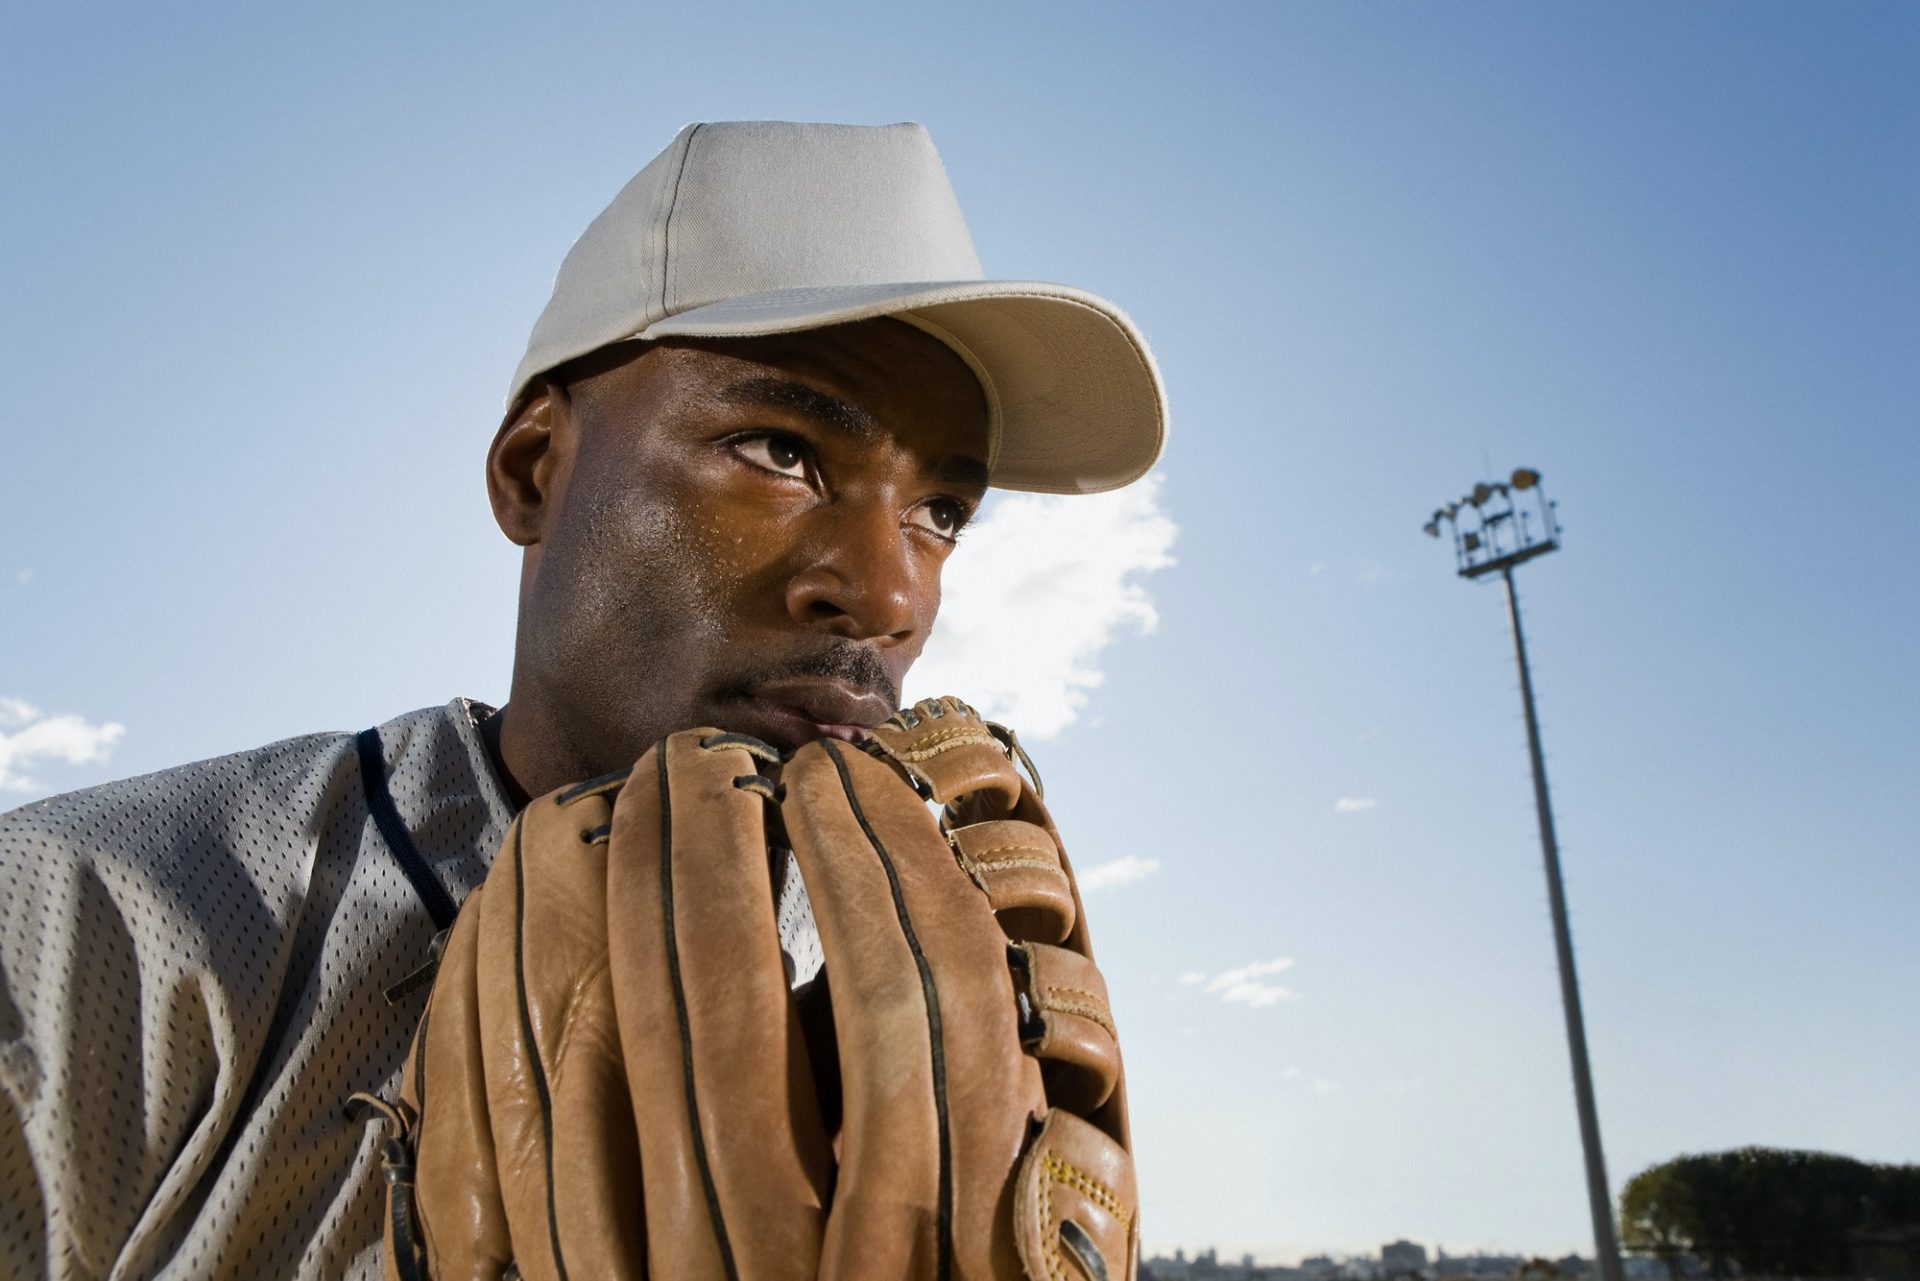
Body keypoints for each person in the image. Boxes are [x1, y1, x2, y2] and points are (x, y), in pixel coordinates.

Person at [0, 120, 1165, 1278]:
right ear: (532, 471)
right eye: (779, 449)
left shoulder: (965, 991)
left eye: (942, 513)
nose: (886, 591)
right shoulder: (86, 917)